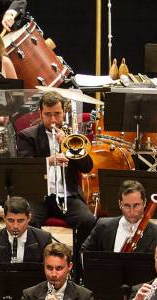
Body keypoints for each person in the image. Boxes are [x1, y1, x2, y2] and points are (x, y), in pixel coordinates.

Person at [16, 92, 97, 261]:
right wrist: (49, 161)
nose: (53, 119)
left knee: (88, 220)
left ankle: (78, 266)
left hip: (68, 195)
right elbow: (24, 167)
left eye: (57, 114)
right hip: (39, 196)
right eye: (48, 114)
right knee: (28, 222)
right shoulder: (27, 136)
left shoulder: (72, 136)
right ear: (40, 113)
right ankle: (37, 265)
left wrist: (68, 145)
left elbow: (87, 167)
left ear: (63, 113)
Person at [13, 242, 97, 300]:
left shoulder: (84, 295)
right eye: (49, 268)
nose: (53, 274)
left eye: (59, 268)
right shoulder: (29, 294)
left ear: (69, 267)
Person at [80, 180, 157, 256]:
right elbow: (85, 252)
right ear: (120, 204)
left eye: (136, 205)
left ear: (145, 203)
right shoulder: (102, 226)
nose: (132, 211)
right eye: (127, 205)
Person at [0, 196, 52, 263]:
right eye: (10, 220)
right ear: (4, 217)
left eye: (20, 221)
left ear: (29, 218)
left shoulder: (44, 239)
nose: (15, 226)